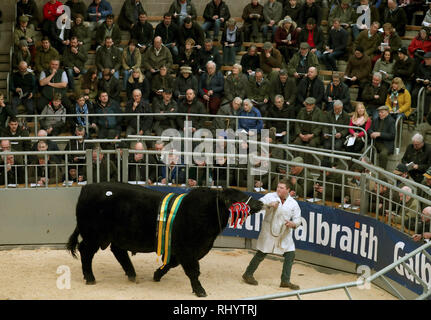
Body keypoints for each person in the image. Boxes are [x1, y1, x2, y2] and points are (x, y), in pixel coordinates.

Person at [242, 179, 301, 290]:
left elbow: (298, 219)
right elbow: (258, 205)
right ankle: (248, 274)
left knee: (290, 254)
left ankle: (285, 281)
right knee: (261, 253)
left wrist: (293, 224)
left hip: (284, 233)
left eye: (282, 188)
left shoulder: (293, 203)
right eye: (278, 187)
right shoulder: (270, 196)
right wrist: (269, 204)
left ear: (288, 190)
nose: (278, 189)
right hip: (269, 231)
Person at [368, 105, 395, 169]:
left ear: (387, 112)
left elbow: (392, 135)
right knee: (368, 150)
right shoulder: (376, 120)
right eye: (379, 112)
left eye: (382, 112)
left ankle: (382, 172)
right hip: (376, 142)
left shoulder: (391, 121)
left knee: (383, 154)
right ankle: (369, 169)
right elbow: (369, 129)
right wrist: (372, 133)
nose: (379, 114)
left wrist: (380, 134)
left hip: (386, 144)